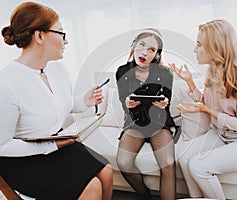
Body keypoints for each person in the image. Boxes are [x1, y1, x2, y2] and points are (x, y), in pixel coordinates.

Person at [0, 2, 113, 200]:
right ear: (40, 36)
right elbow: (2, 146)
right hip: (22, 159)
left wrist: (83, 102)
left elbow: (61, 107)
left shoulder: (57, 70)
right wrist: (51, 146)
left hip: (56, 144)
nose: (66, 41)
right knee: (91, 188)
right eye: (61, 33)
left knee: (106, 172)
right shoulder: (7, 83)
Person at [169, 19, 237, 200]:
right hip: (221, 134)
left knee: (198, 167)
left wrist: (208, 112)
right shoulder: (214, 71)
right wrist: (189, 81)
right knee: (183, 159)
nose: (194, 50)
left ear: (216, 47)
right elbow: (205, 102)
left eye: (199, 45)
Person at [115, 28, 176, 200]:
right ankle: (144, 194)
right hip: (135, 123)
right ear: (134, 46)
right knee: (124, 163)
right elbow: (123, 102)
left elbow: (167, 101)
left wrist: (164, 104)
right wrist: (127, 105)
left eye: (152, 50)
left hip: (158, 123)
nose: (145, 52)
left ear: (156, 55)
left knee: (169, 164)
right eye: (142, 45)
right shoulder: (122, 72)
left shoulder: (165, 73)